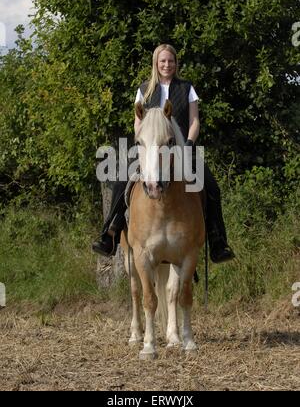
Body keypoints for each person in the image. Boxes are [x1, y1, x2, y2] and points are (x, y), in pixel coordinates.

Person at [92, 44, 235, 263]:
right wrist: (145, 144)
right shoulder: (144, 90)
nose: (167, 65)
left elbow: (194, 121)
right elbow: (137, 124)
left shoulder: (187, 88)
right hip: (149, 149)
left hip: (182, 149)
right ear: (156, 64)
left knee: (212, 186)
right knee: (122, 181)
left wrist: (188, 143)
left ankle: (218, 241)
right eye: (163, 61)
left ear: (176, 63)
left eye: (171, 61)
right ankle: (109, 235)